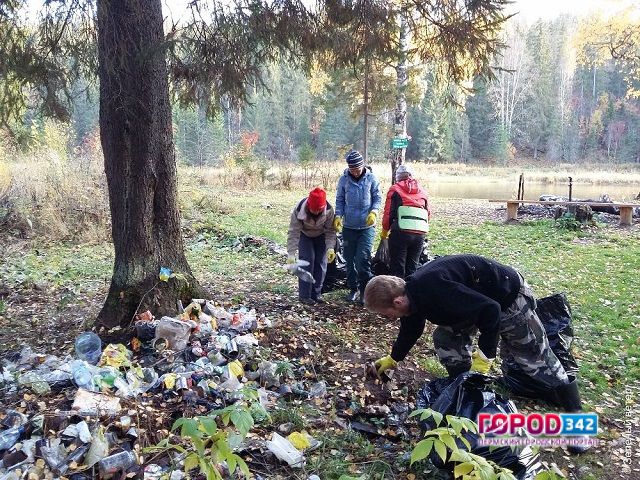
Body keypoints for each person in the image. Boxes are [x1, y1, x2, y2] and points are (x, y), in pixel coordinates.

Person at [363, 254, 590, 453]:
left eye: (386, 314)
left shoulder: (433, 290)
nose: (389, 319)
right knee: (446, 339)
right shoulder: (412, 296)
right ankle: (467, 388)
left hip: (507, 298)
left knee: (534, 359)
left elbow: (491, 310)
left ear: (397, 300)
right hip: (476, 304)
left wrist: (486, 354)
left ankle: (576, 418)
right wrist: (394, 358)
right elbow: (412, 327)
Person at [334, 150, 382, 304]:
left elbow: (377, 198)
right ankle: (353, 288)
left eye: (358, 169)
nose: (355, 172)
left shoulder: (372, 179)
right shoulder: (344, 180)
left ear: (362, 166)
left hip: (367, 227)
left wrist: (374, 212)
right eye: (352, 170)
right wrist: (338, 216)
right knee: (349, 259)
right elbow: (340, 200)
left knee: (362, 260)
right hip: (348, 227)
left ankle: (364, 291)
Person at [287, 187, 337, 305]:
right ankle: (304, 295)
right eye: (313, 209)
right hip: (304, 235)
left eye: (318, 210)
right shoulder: (299, 209)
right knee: (307, 260)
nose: (315, 212)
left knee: (321, 262)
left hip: (321, 235)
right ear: (309, 204)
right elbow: (294, 231)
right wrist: (291, 253)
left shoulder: (329, 210)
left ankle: (316, 294)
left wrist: (330, 247)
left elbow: (330, 231)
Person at [380, 164, 431, 278]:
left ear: (397, 177)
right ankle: (411, 293)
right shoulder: (422, 191)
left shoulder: (395, 189)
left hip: (400, 233)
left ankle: (398, 294)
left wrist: (384, 231)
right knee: (412, 268)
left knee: (398, 268)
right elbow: (428, 215)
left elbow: (389, 214)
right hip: (419, 234)